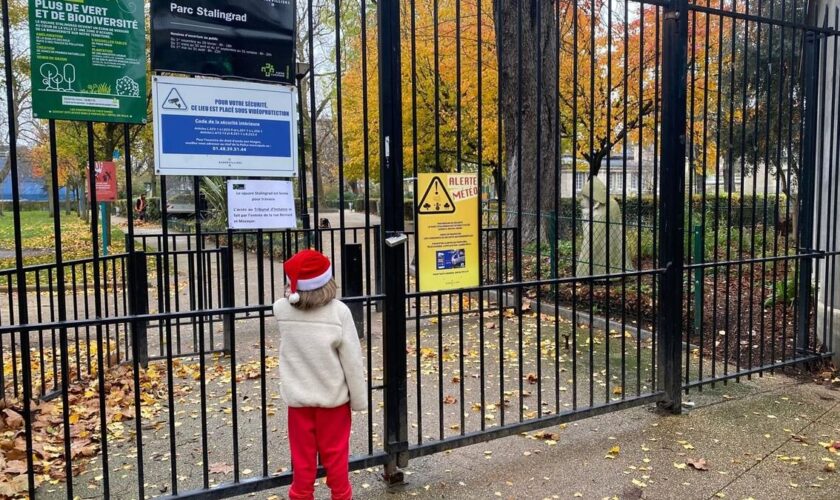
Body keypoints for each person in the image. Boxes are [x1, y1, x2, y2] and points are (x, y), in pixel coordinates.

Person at [273, 250, 367, 500]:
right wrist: (358, 400)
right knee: (336, 456)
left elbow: (285, 302)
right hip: (333, 401)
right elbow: (352, 362)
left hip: (299, 401)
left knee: (302, 459)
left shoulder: (282, 310)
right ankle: (341, 495)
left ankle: (301, 494)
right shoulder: (339, 313)